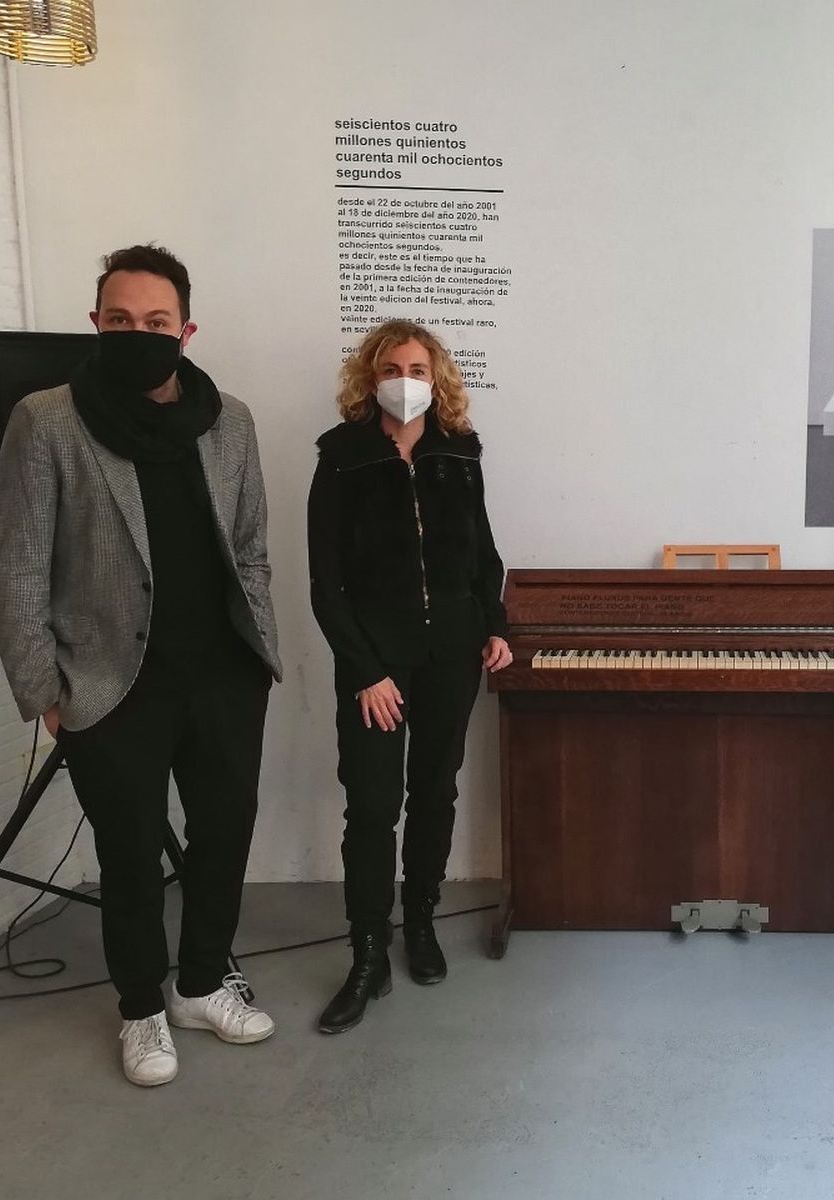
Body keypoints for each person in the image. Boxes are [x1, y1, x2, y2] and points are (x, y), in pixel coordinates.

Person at [0, 243, 282, 1087]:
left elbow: (251, 546)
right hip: (111, 683)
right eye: (121, 320)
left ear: (186, 330)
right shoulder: (48, 420)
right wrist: (44, 689)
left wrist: (258, 647)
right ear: (96, 324)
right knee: (130, 857)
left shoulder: (232, 422)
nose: (139, 333)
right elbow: (12, 563)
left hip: (224, 673)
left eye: (156, 322)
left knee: (223, 839)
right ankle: (142, 1012)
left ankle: (198, 985)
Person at [308, 319, 510, 1034]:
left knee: (434, 793)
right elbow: (325, 583)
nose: (406, 378)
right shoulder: (341, 457)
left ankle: (419, 921)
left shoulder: (459, 453)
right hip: (376, 668)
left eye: (419, 367)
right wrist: (366, 670)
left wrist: (495, 625)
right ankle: (369, 951)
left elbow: (483, 554)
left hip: (451, 657)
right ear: (370, 376)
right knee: (370, 805)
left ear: (438, 377)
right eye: (392, 366)